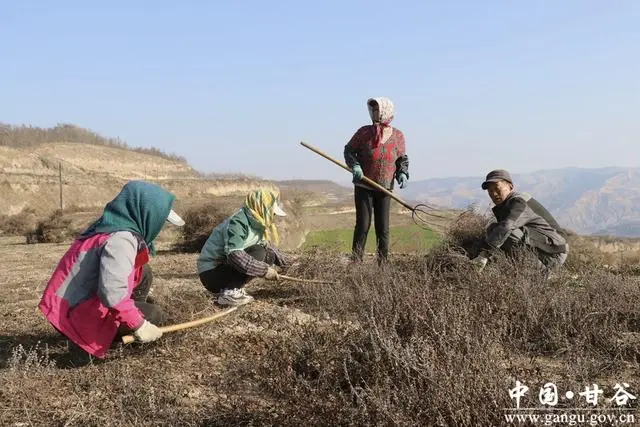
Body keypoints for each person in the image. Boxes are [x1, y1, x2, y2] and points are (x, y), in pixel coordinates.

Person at [38, 180, 185, 360]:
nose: (160, 227)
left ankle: (122, 318)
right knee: (155, 314)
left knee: (143, 272)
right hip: (77, 313)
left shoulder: (110, 225)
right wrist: (138, 324)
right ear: (146, 213)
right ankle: (91, 337)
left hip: (66, 306)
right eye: (160, 220)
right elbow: (112, 293)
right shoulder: (121, 240)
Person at [343, 97, 409, 264]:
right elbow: (349, 150)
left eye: (377, 110)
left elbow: (401, 158)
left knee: (383, 229)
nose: (374, 113)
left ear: (386, 111)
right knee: (363, 225)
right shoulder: (364, 132)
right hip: (364, 185)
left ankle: (382, 265)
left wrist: (402, 173)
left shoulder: (398, 136)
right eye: (372, 110)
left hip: (385, 188)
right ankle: (356, 262)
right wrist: (355, 165)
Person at [198, 189, 289, 306]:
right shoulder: (238, 223)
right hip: (211, 273)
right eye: (273, 212)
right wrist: (264, 271)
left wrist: (295, 265)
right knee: (260, 253)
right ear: (261, 208)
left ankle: (232, 288)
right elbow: (234, 255)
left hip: (224, 269)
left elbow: (271, 249)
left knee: (269, 254)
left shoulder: (257, 222)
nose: (273, 216)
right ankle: (229, 293)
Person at [471, 169, 569, 275]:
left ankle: (538, 272)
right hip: (545, 247)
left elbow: (507, 226)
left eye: (497, 188)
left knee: (507, 232)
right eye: (490, 191)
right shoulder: (506, 204)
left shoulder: (519, 202)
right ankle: (517, 269)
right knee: (494, 229)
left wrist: (483, 255)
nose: (494, 194)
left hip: (554, 253)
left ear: (510, 187)